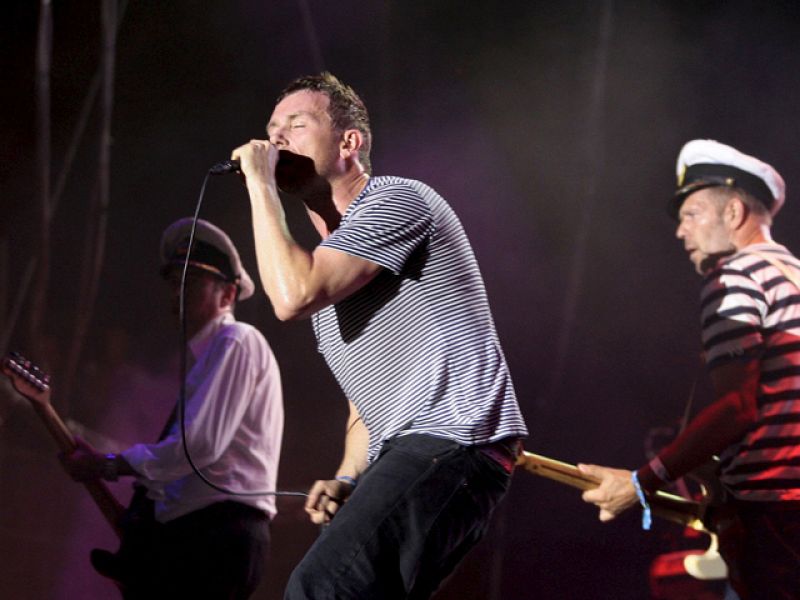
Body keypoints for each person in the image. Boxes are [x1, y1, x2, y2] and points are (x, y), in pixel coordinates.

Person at [231, 72, 528, 599]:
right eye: (272, 128)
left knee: (320, 589)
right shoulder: (336, 269)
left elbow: (291, 296)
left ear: (349, 142)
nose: (276, 139)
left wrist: (259, 183)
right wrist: (349, 475)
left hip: (452, 438)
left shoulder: (396, 200)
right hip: (425, 449)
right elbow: (366, 406)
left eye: (296, 125)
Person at [579, 139, 800, 599]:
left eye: (692, 214)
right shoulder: (790, 276)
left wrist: (640, 483)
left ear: (733, 212)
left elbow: (737, 408)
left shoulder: (736, 277)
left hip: (774, 514)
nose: (681, 231)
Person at [59, 218, 284, 599]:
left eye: (191, 281)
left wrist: (109, 465)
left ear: (228, 294)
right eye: (174, 282)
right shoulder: (208, 357)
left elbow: (197, 448)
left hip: (217, 534)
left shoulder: (236, 340)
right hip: (196, 534)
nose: (177, 292)